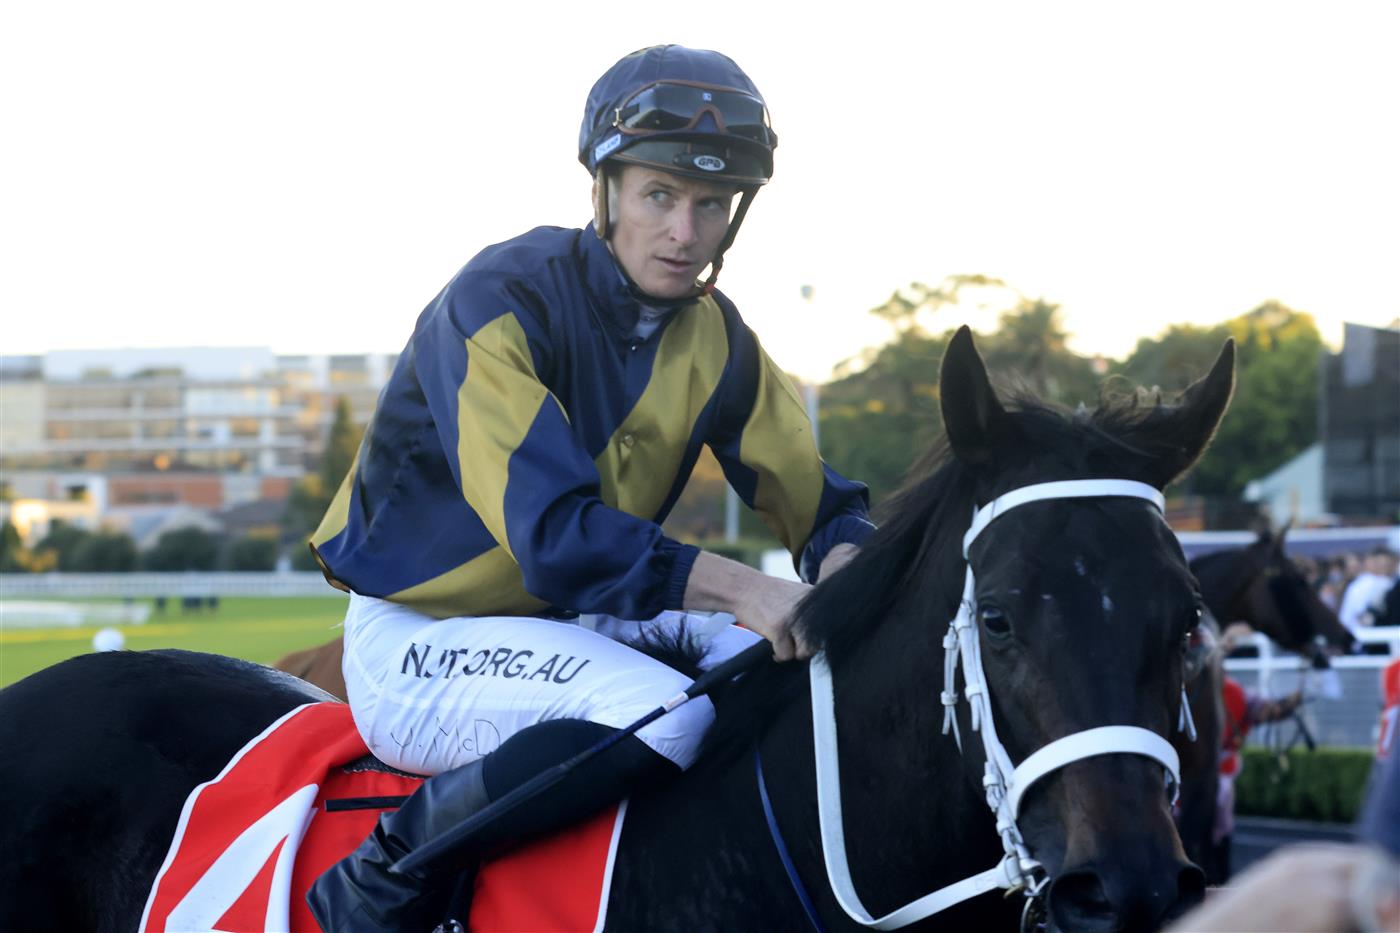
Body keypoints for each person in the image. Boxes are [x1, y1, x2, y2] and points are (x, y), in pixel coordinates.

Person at [305, 45, 874, 931]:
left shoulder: (718, 338)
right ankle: (379, 881)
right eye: (658, 196)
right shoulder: (498, 298)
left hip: (567, 622)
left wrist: (847, 566)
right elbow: (554, 538)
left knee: (784, 678)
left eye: (711, 205)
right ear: (604, 192)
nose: (685, 233)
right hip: (419, 638)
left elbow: (825, 503)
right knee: (664, 716)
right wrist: (747, 587)